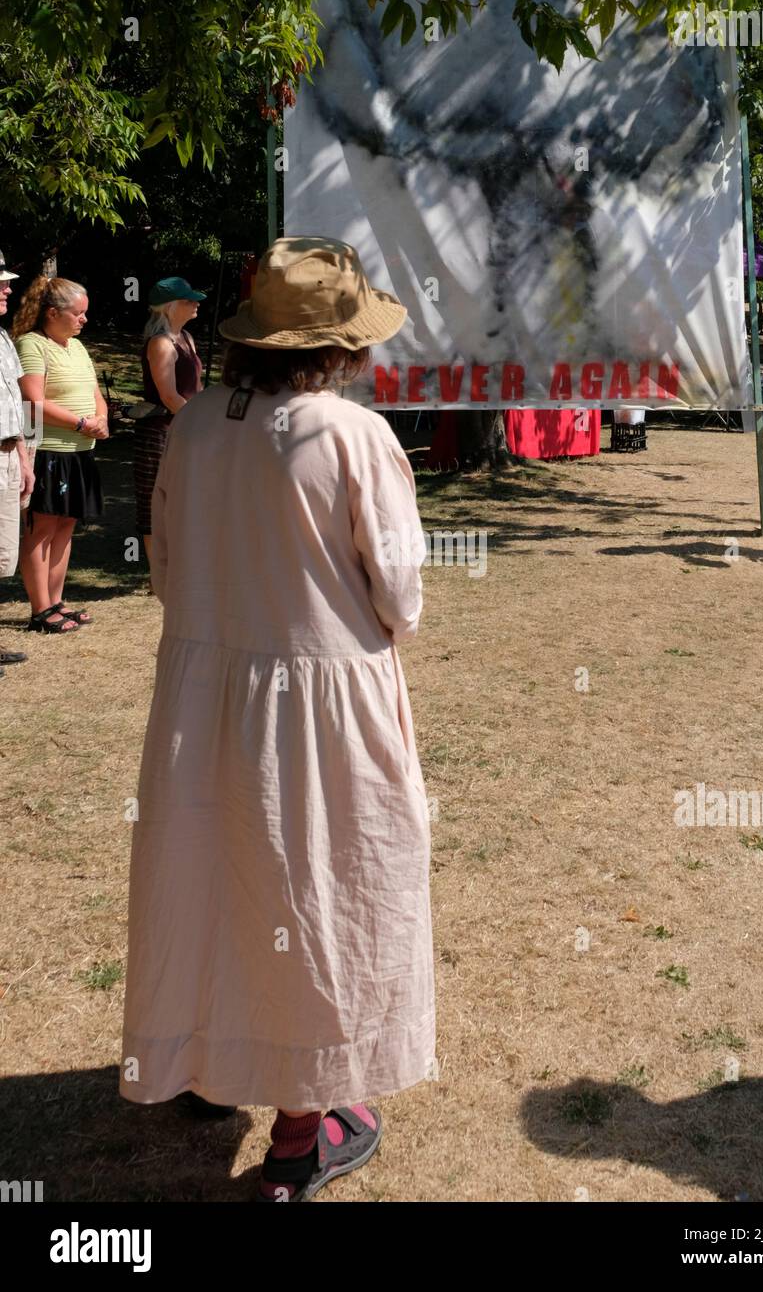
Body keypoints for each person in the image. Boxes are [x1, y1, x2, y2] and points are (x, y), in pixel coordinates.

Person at [120, 237, 435, 1202]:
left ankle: (216, 1060)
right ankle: (303, 1122)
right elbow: (400, 591)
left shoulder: (199, 425)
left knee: (217, 875)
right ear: (335, 345)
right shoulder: (351, 435)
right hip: (321, 702)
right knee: (314, 885)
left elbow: (166, 567)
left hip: (205, 695)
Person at [13, 275, 107, 631]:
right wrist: (82, 423)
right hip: (50, 451)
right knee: (42, 529)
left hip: (81, 451)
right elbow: (33, 402)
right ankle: (40, 611)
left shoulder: (78, 347)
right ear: (52, 313)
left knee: (66, 527)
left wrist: (101, 419)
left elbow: (95, 391)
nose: (84, 319)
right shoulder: (32, 345)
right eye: (78, 313)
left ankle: (56, 601)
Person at [133, 277, 205, 575]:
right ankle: (159, 574)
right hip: (161, 430)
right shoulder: (160, 344)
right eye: (189, 300)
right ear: (170, 307)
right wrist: (199, 424)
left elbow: (195, 389)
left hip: (185, 428)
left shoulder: (186, 338)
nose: (196, 304)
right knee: (156, 501)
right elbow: (169, 395)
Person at [0, 249, 34, 674]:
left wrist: (24, 457)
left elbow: (17, 404)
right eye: (1, 282)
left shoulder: (5, 337)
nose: (8, 287)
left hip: (9, 454)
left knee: (2, 554)